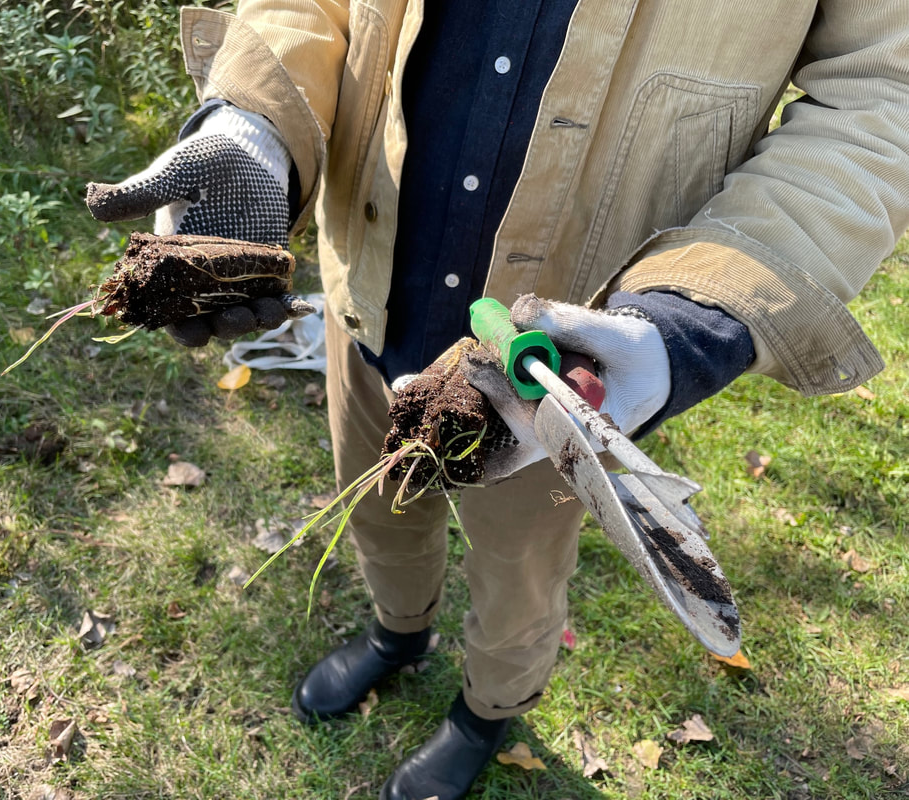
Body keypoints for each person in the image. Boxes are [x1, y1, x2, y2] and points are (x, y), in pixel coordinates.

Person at [86, 2, 909, 797]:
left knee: (519, 567)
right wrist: (254, 124)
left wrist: (695, 317)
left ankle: (489, 711)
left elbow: (881, 92)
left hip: (556, 367)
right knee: (376, 505)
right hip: (371, 296)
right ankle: (397, 633)